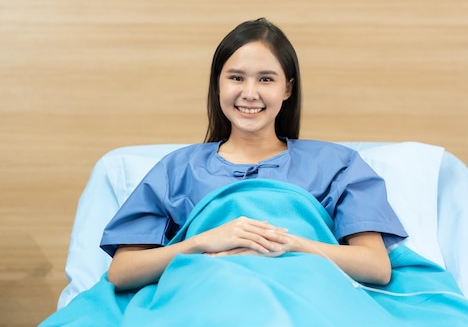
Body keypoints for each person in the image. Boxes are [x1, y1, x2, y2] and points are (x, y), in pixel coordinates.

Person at [101, 18, 408, 292]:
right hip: (204, 297)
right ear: (217, 85)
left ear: (287, 88)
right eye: (236, 78)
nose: (249, 93)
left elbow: (376, 267)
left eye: (266, 79)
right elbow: (122, 272)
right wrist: (201, 242)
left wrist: (285, 244)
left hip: (307, 296)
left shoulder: (337, 165)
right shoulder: (177, 169)